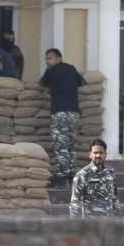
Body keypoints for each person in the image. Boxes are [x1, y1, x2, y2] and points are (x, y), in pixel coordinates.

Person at [39, 48, 85, 187]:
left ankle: (62, 176)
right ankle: (71, 175)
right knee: (70, 144)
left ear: (59, 58)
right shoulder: (71, 68)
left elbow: (42, 83)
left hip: (60, 113)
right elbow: (81, 82)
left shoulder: (52, 71)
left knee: (61, 145)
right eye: (46, 59)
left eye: (50, 58)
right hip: (74, 113)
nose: (48, 61)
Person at [70, 139, 121, 218]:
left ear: (105, 154)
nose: (98, 155)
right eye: (95, 153)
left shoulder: (110, 173)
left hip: (109, 223)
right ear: (90, 154)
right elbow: (75, 203)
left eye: (101, 153)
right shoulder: (82, 175)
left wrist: (118, 219)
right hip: (91, 224)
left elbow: (114, 199)